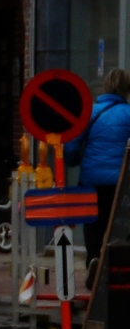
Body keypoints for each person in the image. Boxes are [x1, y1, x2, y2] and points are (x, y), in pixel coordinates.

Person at [66, 68, 130, 274]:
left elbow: (72, 147)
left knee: (93, 224)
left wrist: (73, 160)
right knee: (119, 226)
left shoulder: (89, 112)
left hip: (91, 181)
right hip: (120, 183)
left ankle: (94, 259)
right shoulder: (129, 113)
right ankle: (116, 268)